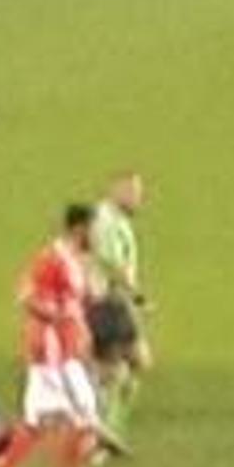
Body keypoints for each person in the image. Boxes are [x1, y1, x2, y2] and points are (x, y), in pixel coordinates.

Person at [0, 203, 106, 467]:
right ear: (79, 229)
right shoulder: (52, 258)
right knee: (84, 416)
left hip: (65, 352)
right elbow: (25, 294)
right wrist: (55, 316)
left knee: (39, 421)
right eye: (93, 229)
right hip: (51, 353)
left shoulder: (76, 260)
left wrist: (82, 326)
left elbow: (74, 301)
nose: (96, 235)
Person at [85, 170, 151, 442]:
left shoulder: (116, 220)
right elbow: (110, 263)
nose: (139, 199)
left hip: (115, 302)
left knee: (130, 364)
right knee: (117, 367)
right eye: (134, 192)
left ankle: (104, 425)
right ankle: (98, 426)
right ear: (117, 190)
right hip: (107, 303)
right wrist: (136, 295)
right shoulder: (106, 221)